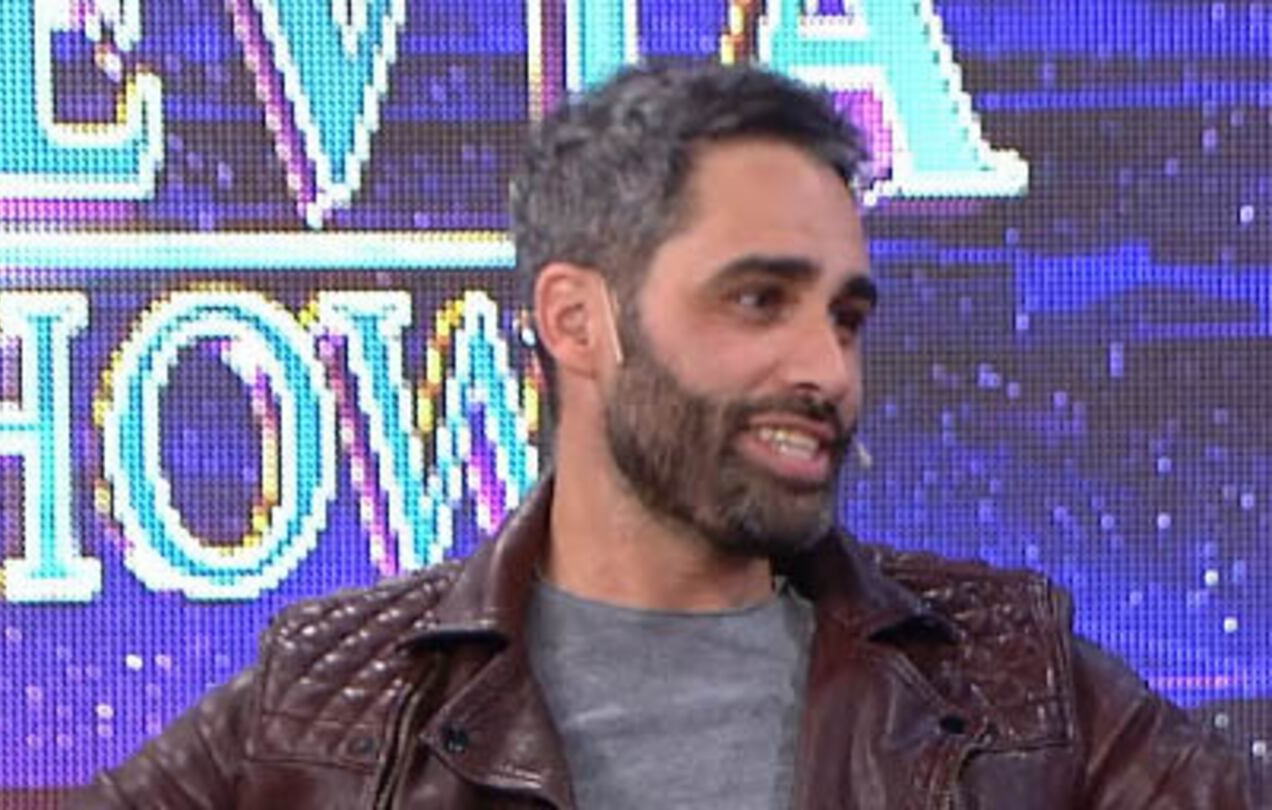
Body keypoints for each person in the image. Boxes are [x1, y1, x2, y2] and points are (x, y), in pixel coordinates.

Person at [71, 63, 1256, 809]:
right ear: (577, 321)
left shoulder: (1010, 683)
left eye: (845, 316)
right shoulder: (337, 706)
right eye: (758, 300)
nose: (826, 369)